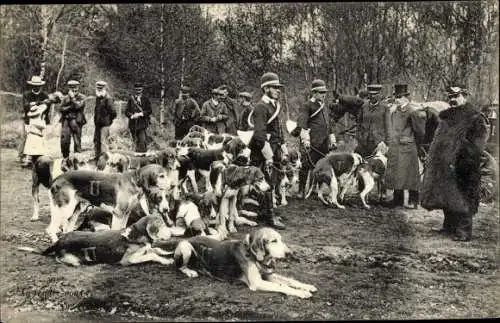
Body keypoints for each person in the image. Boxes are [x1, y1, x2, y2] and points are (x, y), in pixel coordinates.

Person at [421, 86, 489, 241]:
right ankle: (449, 226)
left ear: (464, 96)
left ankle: (464, 231)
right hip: (444, 165)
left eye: (456, 96)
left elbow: (478, 145)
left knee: (463, 197)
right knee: (446, 195)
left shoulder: (475, 118)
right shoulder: (446, 118)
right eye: (450, 97)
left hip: (463, 166)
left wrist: (461, 159)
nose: (452, 99)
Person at [248, 72, 288, 230]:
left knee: (273, 180)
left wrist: (283, 148)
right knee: (267, 183)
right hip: (263, 151)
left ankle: (266, 211)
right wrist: (269, 156)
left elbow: (278, 130)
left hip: (274, 148)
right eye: (275, 87)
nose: (278, 90)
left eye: (279, 87)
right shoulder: (261, 107)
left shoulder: (274, 106)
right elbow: (259, 135)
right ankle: (269, 216)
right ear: (266, 89)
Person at [384, 84, 426, 209]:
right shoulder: (394, 110)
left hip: (408, 146)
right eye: (396, 97)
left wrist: (413, 142)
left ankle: (414, 200)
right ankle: (398, 200)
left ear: (404, 98)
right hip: (396, 146)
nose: (396, 99)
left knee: (411, 174)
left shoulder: (412, 111)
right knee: (397, 174)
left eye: (398, 97)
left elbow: (420, 131)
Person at [296, 79, 337, 199]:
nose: (323, 95)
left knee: (319, 167)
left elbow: (328, 124)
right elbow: (302, 123)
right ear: (314, 93)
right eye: (320, 92)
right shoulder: (307, 105)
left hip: (323, 142)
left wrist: (332, 137)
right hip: (311, 142)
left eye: (324, 92)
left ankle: (314, 189)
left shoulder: (324, 106)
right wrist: (305, 140)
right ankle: (301, 191)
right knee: (305, 166)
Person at [20, 76, 49, 166]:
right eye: (34, 85)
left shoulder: (44, 95)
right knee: (27, 137)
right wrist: (32, 105)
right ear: (32, 86)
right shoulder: (27, 94)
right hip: (29, 118)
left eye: (38, 85)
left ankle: (38, 156)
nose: (36, 87)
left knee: (39, 137)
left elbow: (47, 107)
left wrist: (44, 114)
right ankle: (23, 155)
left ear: (41, 86)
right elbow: (25, 106)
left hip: (40, 118)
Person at [355, 84, 389, 157]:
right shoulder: (364, 107)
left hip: (379, 143)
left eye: (375, 94)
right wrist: (359, 137)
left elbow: (388, 126)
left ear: (379, 94)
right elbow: (359, 124)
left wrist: (386, 143)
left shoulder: (385, 108)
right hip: (364, 142)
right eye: (371, 94)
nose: (373, 96)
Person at [59, 80, 86, 158]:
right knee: (64, 140)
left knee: (77, 140)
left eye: (75, 88)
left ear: (78, 88)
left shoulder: (82, 97)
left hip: (77, 120)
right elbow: (61, 109)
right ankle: (65, 157)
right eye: (71, 88)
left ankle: (77, 158)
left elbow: (78, 106)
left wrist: (73, 98)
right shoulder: (65, 97)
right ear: (69, 88)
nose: (74, 90)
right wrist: (70, 107)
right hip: (66, 120)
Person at [125, 82, 152, 152]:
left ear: (142, 90)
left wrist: (141, 114)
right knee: (135, 142)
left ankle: (143, 158)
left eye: (139, 90)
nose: (138, 91)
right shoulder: (131, 99)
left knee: (142, 141)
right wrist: (131, 116)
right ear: (134, 90)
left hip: (142, 124)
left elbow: (149, 110)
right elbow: (126, 111)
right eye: (136, 90)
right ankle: (136, 159)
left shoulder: (145, 99)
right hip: (133, 125)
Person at [93, 81, 116, 158]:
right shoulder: (98, 98)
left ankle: (103, 161)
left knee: (103, 142)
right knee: (96, 141)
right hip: (97, 124)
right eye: (98, 88)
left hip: (105, 124)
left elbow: (113, 112)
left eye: (101, 88)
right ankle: (96, 158)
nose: (99, 90)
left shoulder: (108, 99)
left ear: (105, 88)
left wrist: (109, 121)